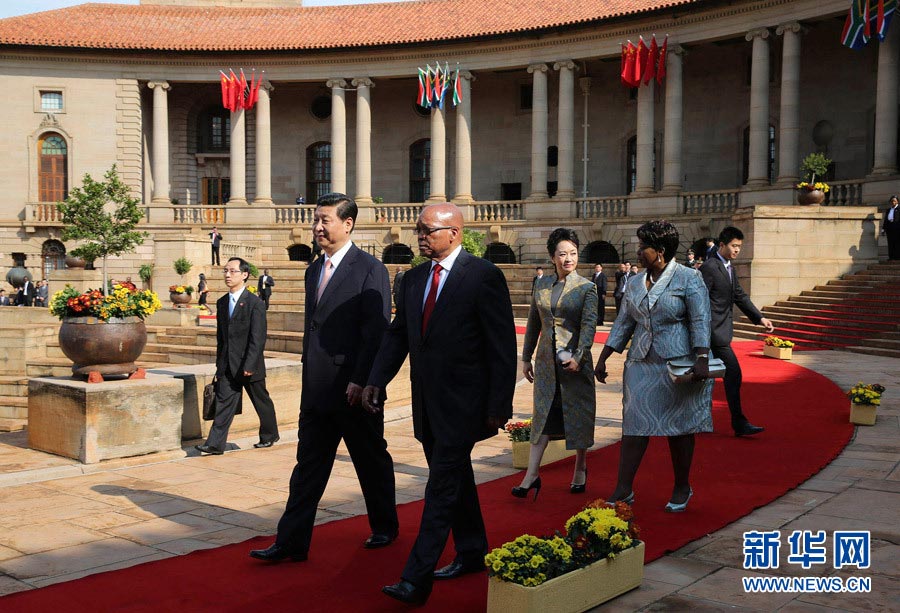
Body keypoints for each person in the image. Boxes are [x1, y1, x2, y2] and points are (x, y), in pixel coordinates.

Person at [362, 203, 517, 606]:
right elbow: (398, 335)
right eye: (418, 229)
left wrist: (500, 403)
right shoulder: (412, 280)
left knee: (441, 486)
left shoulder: (484, 276)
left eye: (428, 230)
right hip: (427, 403)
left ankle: (416, 579)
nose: (420, 236)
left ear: (455, 233)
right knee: (455, 477)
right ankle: (471, 550)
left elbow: (502, 346)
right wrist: (376, 380)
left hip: (466, 403)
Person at [250, 193, 399, 563]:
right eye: (316, 219)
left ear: (347, 224)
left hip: (354, 391)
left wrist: (362, 379)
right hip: (316, 390)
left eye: (325, 220)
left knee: (370, 460)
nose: (317, 226)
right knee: (308, 467)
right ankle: (291, 542)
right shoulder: (313, 269)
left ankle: (385, 526)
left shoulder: (370, 268)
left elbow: (376, 330)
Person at [594, 220, 713, 513]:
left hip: (678, 363)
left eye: (642, 246)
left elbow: (700, 320)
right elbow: (624, 321)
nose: (637, 251)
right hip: (641, 362)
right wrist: (605, 355)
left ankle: (682, 486)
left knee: (679, 427)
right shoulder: (634, 282)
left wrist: (701, 357)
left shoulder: (689, 278)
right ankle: (624, 488)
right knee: (634, 424)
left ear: (659, 251)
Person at [517, 228, 598, 501]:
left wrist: (580, 356)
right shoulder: (541, 285)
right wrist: (525, 357)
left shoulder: (587, 288)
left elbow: (588, 328)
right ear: (553, 257)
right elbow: (533, 323)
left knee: (578, 416)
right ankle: (531, 475)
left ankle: (580, 467)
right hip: (545, 365)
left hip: (574, 364)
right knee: (542, 416)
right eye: (562, 254)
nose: (568, 259)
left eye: (573, 253)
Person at [195, 257, 279, 455]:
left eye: (232, 271)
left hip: (249, 365)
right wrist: (219, 365)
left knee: (261, 401)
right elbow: (221, 338)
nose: (227, 275)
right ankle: (215, 444)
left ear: (244, 275)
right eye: (225, 271)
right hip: (227, 365)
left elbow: (257, 338)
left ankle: (269, 435)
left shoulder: (255, 303)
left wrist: (249, 364)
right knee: (224, 404)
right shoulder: (222, 302)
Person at [700, 226, 774, 437]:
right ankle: (738, 423)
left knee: (711, 378)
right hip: (712, 332)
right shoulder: (710, 267)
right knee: (732, 373)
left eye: (739, 247)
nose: (737, 250)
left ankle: (733, 422)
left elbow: (740, 296)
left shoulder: (729, 268)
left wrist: (760, 318)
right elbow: (699, 300)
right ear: (721, 245)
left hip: (721, 331)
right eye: (734, 246)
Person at [882, 195, 900, 260]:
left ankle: (897, 257)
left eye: (895, 201)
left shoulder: (899, 209)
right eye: (892, 201)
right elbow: (886, 220)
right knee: (890, 242)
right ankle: (891, 257)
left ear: (897, 201)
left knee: (897, 243)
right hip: (889, 228)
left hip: (897, 228)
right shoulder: (888, 210)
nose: (893, 202)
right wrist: (883, 229)